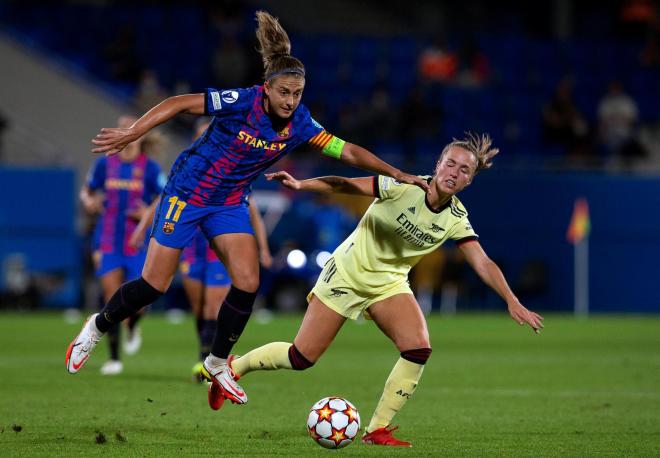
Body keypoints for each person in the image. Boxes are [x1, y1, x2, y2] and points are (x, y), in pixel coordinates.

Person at [65, 10, 428, 395]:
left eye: (297, 93)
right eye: (284, 92)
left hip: (229, 202)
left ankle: (218, 363)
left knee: (248, 280)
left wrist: (397, 174)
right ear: (267, 88)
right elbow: (178, 103)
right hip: (186, 194)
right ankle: (97, 327)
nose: (290, 100)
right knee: (154, 284)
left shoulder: (301, 123)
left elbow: (348, 152)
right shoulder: (241, 101)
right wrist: (132, 132)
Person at [207, 133, 544, 447]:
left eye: (464, 170)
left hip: (389, 283)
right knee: (301, 357)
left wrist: (512, 301)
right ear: (438, 164)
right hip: (347, 275)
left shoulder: (456, 217)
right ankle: (236, 367)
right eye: (451, 163)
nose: (455, 172)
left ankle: (377, 429)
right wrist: (300, 184)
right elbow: (343, 184)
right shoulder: (402, 186)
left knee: (417, 348)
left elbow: (482, 262)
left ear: (470, 180)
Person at [130, 120, 273, 382]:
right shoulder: (189, 169)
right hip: (191, 248)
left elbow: (252, 214)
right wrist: (142, 228)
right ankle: (203, 355)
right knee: (198, 308)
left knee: (212, 306)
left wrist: (262, 248)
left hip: (217, 247)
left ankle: (208, 363)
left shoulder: (233, 173)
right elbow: (163, 200)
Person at [79, 115, 165, 375]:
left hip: (136, 242)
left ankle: (133, 324)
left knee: (141, 301)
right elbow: (87, 190)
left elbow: (165, 195)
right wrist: (88, 201)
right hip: (107, 241)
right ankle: (114, 359)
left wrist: (147, 213)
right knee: (110, 298)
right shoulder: (105, 164)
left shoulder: (149, 168)